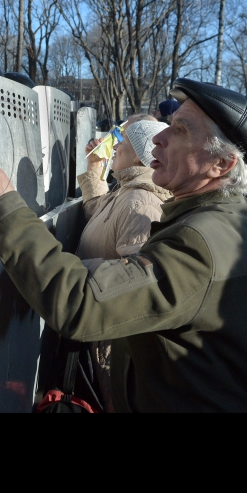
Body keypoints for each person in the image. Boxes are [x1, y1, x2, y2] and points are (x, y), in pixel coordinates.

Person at [0, 78, 247, 413]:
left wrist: (6, 208)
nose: (159, 137)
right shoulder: (232, 216)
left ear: (222, 164)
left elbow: (81, 302)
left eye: (181, 130)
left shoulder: (200, 241)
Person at [77, 114, 172, 411]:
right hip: (98, 327)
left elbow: (133, 284)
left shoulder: (141, 202)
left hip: (111, 341)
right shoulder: (127, 192)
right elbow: (99, 215)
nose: (114, 147)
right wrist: (94, 169)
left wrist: (68, 268)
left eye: (123, 141)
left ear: (143, 157)